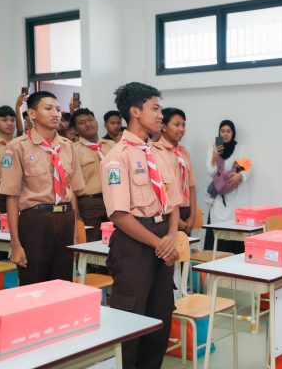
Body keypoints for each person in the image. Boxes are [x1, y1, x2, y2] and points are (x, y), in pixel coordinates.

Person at [101, 82, 182, 369]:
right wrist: (160, 243)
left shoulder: (159, 153)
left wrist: (170, 237)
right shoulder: (117, 157)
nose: (161, 115)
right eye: (155, 109)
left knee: (160, 316)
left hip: (163, 237)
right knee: (131, 317)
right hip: (134, 242)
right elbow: (119, 215)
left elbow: (173, 204)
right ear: (135, 112)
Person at [0, 91, 85, 285]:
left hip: (65, 217)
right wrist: (15, 243)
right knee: (33, 283)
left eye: (58, 109)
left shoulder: (68, 146)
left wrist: (74, 230)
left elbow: (71, 190)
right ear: (32, 114)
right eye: (48, 108)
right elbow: (12, 197)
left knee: (62, 283)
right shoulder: (18, 147)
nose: (55, 113)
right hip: (35, 220)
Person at [204, 119, 250, 254]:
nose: (225, 134)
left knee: (236, 231)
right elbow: (211, 172)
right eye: (222, 131)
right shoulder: (213, 149)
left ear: (233, 133)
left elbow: (247, 168)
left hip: (236, 197)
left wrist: (240, 175)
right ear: (219, 133)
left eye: (228, 131)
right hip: (219, 199)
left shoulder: (240, 149)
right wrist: (214, 157)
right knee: (217, 230)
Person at [71, 108, 115, 243]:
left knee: (115, 242)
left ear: (96, 122)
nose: (88, 124)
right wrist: (76, 216)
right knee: (92, 243)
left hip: (114, 201)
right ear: (76, 129)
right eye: (82, 123)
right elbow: (71, 187)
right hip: (90, 205)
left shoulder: (112, 146)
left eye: (90, 120)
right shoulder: (73, 150)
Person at [158, 107, 197, 235]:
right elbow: (160, 189)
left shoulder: (184, 153)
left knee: (185, 247)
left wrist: (192, 216)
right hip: (167, 212)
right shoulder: (157, 152)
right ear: (164, 127)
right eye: (176, 124)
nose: (181, 129)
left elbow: (191, 186)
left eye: (183, 125)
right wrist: (174, 218)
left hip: (186, 211)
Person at [0, 106, 17, 213]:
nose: (9, 123)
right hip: (0, 192)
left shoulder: (21, 144)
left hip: (20, 192)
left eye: (12, 120)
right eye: (4, 120)